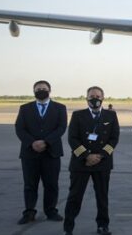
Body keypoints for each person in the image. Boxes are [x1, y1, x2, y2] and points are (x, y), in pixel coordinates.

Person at [63, 86, 119, 235]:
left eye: (98, 96)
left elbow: (114, 139)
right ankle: (68, 228)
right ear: (86, 98)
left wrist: (99, 156)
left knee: (102, 197)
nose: (95, 99)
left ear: (103, 98)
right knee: (75, 196)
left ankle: (103, 226)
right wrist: (87, 156)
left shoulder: (111, 116)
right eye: (92, 96)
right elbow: (72, 138)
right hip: (81, 163)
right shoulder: (78, 115)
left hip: (102, 163)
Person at [15, 80, 66, 224]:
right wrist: (32, 142)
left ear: (50, 90)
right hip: (30, 153)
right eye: (38, 89)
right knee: (30, 185)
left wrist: (46, 142)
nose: (41, 90)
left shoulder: (60, 108)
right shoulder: (25, 108)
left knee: (51, 184)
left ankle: (51, 211)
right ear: (33, 91)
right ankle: (29, 212)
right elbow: (19, 128)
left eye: (44, 88)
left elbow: (61, 128)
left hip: (51, 153)